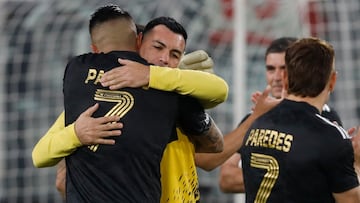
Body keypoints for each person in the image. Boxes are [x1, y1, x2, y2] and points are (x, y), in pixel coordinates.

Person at [32, 6, 228, 202]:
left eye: (175, 55)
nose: (164, 59)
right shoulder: (169, 94)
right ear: (137, 43)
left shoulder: (174, 89)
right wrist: (76, 134)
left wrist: (161, 76)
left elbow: (215, 145)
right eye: (157, 47)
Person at [241, 37, 360, 202]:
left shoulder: (254, 124)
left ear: (285, 79)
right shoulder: (331, 137)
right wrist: (357, 164)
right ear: (332, 81)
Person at [219, 37, 343, 193]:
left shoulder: (328, 118)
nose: (276, 77)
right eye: (271, 69)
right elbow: (226, 178)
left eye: (283, 69)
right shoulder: (255, 118)